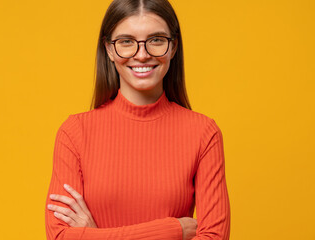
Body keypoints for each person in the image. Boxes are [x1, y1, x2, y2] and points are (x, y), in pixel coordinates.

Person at [45, 0, 230, 239]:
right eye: (126, 42)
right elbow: (60, 236)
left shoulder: (204, 132)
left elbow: (214, 236)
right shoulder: (75, 132)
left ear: (173, 47)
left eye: (156, 40)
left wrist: (94, 235)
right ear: (109, 50)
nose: (142, 55)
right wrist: (172, 230)